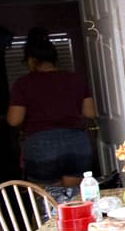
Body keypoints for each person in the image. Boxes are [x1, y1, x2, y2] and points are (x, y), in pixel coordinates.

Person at [6, 28, 96, 190]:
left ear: (32, 60)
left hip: (41, 146)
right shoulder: (75, 79)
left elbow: (14, 120)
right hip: (76, 143)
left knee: (48, 200)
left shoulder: (23, 84)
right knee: (74, 198)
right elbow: (90, 113)